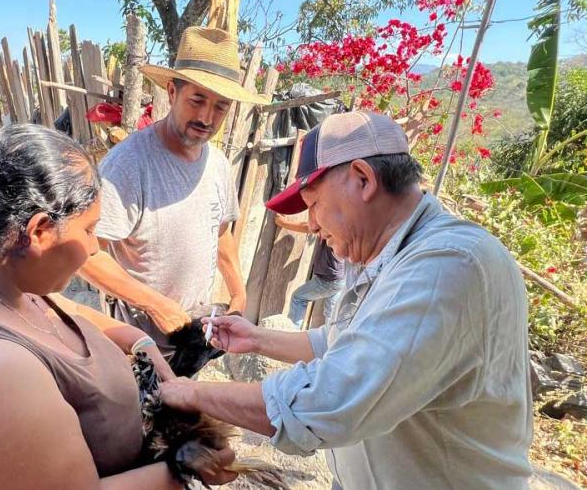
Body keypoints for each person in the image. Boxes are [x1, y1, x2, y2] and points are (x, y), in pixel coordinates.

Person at [160, 112, 533, 489]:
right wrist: (256, 339)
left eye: (314, 203)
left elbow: (327, 401)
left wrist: (192, 393)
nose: (312, 225)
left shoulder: (447, 266)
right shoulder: (394, 258)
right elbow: (343, 342)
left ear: (363, 179)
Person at [0, 124, 237, 489]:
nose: (95, 248)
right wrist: (188, 466)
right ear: (40, 231)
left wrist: (138, 342)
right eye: (89, 230)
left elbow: (59, 312)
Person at [79, 26, 265, 362]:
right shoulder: (129, 165)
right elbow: (85, 253)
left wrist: (238, 296)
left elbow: (220, 233)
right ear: (171, 91)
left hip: (197, 331)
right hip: (140, 341)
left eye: (220, 107)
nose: (207, 117)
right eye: (197, 100)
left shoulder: (218, 164)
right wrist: (155, 304)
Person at [274, 213, 343, 329]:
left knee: (298, 298)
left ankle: (292, 334)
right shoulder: (343, 223)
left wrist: (284, 223)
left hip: (328, 280)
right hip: (340, 278)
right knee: (331, 313)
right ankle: (332, 340)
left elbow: (308, 228)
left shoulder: (331, 225)